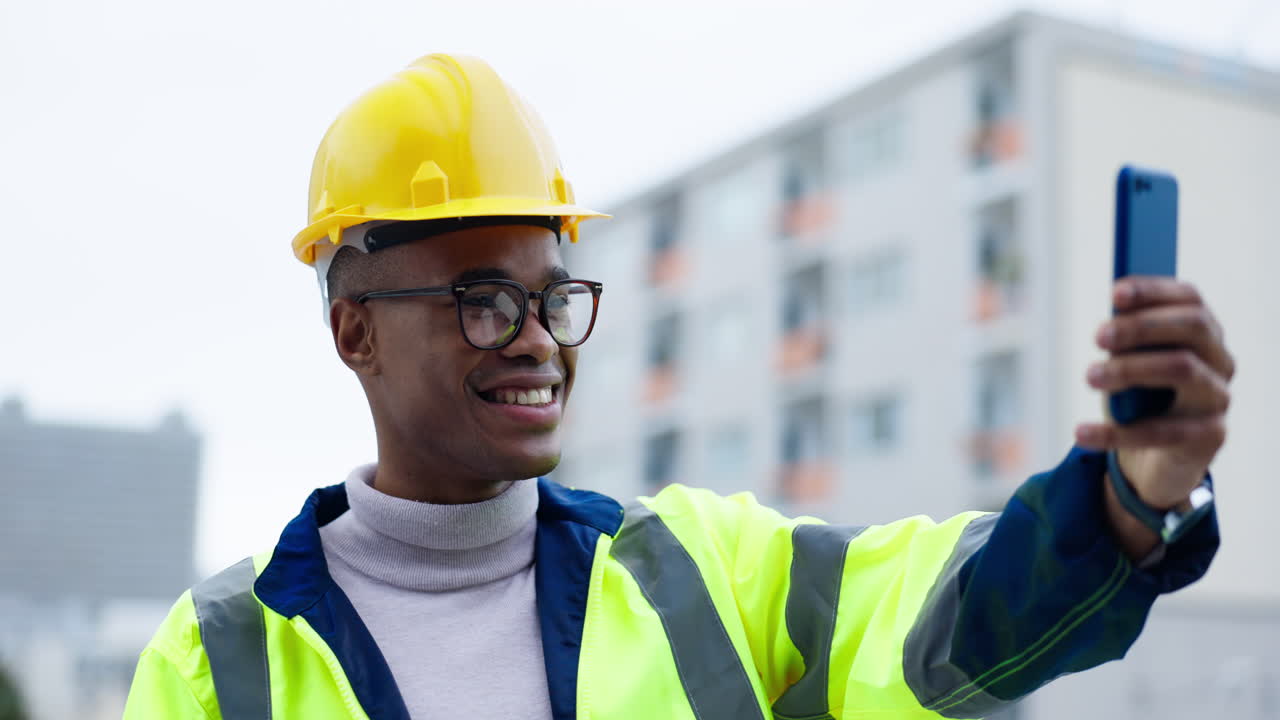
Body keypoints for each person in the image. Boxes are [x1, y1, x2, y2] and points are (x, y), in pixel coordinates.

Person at [123, 54, 1232, 720]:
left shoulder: (700, 572)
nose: (535, 343)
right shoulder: (217, 659)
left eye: (552, 300)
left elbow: (953, 611)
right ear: (353, 330)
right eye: (478, 299)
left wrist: (1128, 499)